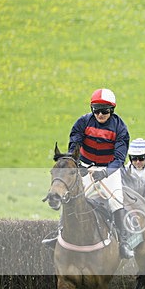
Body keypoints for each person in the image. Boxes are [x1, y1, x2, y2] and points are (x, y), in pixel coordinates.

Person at [43, 88, 136, 258]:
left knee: (116, 201)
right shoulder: (83, 122)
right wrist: (79, 165)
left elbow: (120, 158)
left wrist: (105, 173)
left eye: (104, 111)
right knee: (71, 197)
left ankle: (123, 243)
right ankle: (59, 235)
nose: (100, 114)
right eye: (96, 110)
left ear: (112, 110)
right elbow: (74, 147)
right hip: (84, 167)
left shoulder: (120, 128)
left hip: (109, 169)